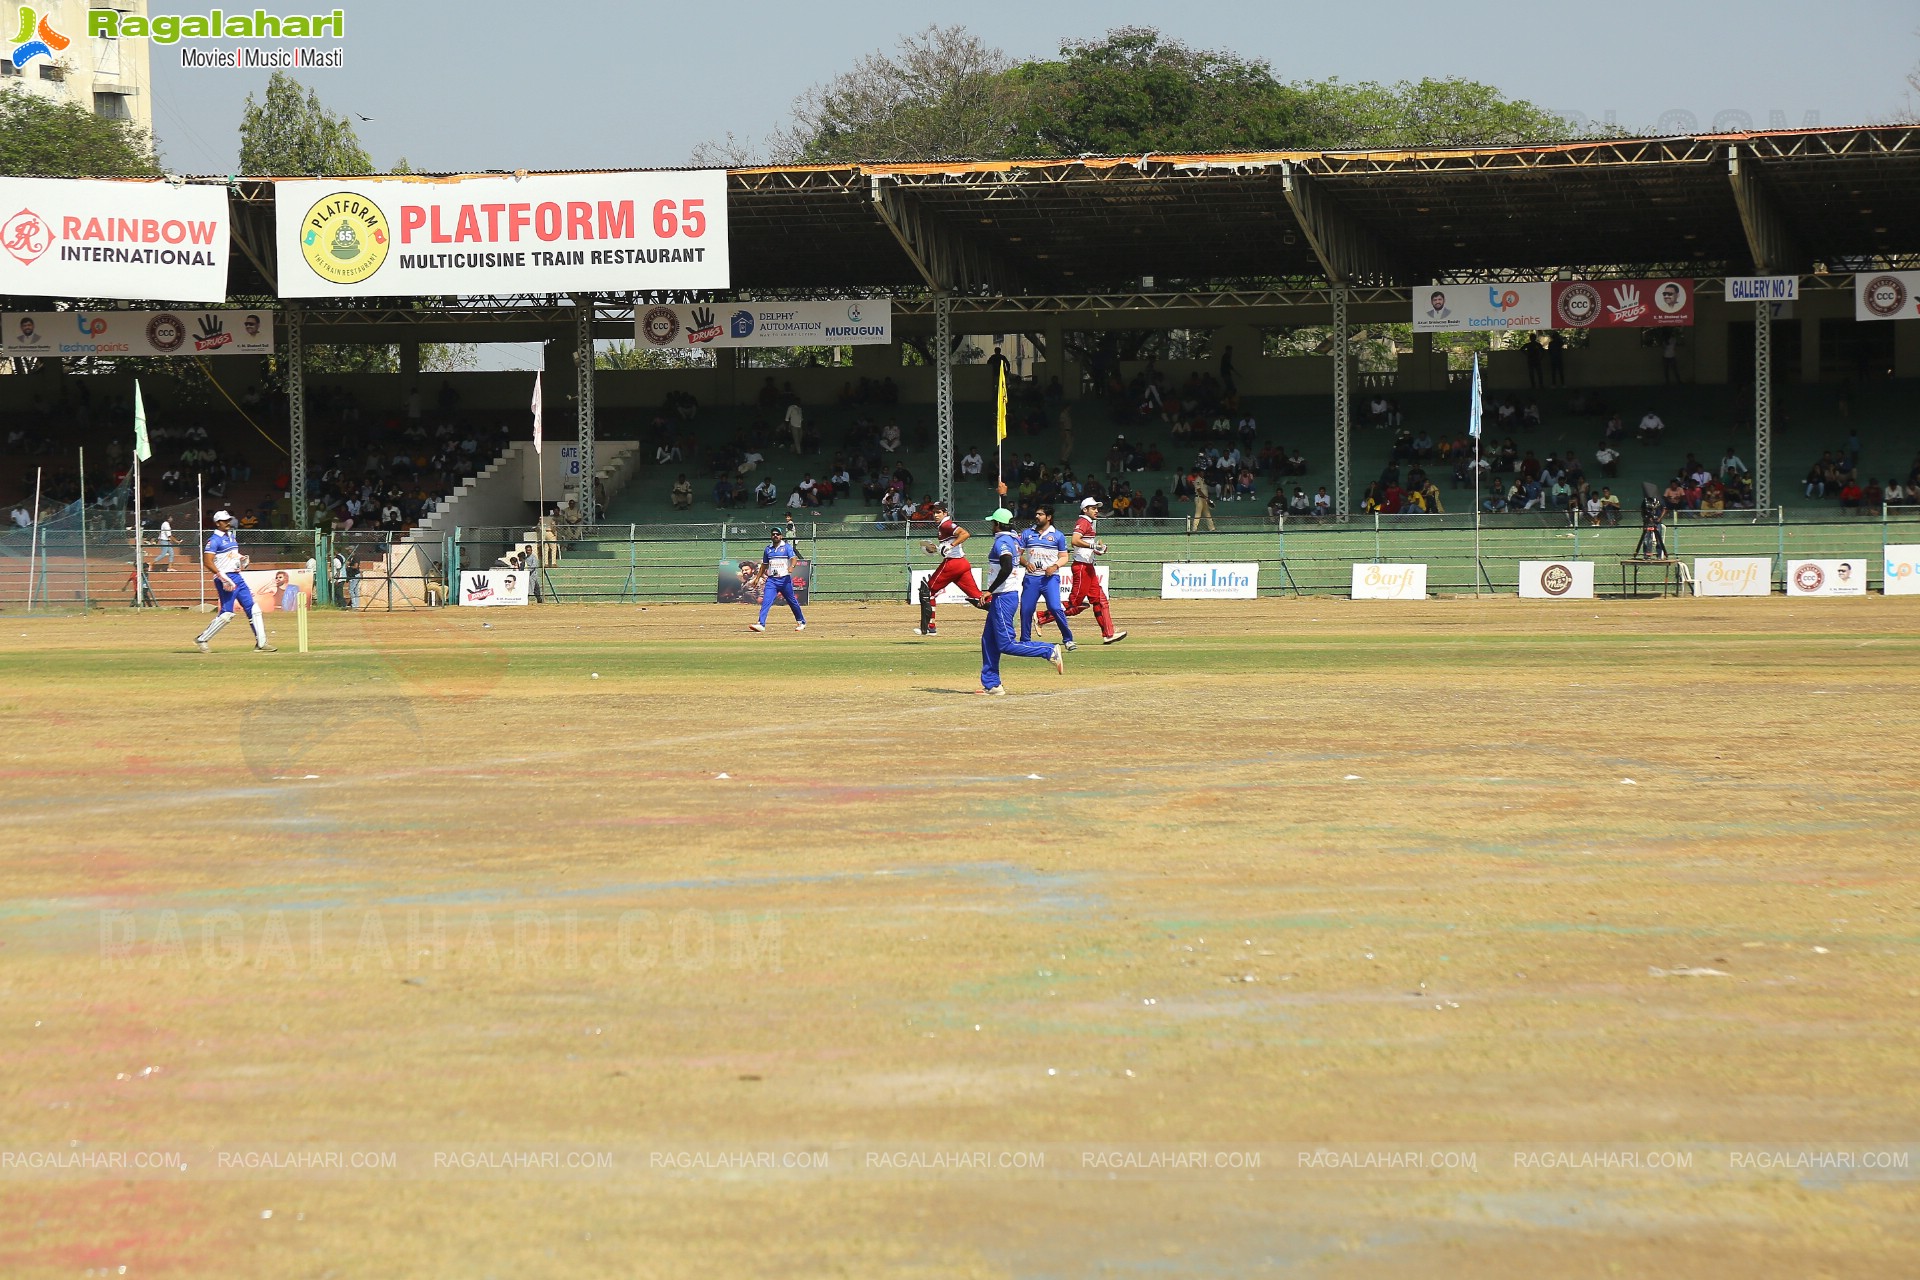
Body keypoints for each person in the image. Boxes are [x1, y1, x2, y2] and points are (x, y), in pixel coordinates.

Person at [972, 507, 1065, 696]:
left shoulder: (1003, 541)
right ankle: (992, 685)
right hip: (1004, 596)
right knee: (988, 640)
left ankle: (1048, 650)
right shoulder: (1013, 537)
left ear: (997, 525)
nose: (992, 525)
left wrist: (989, 591)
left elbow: (1006, 565)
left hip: (1003, 597)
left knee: (1006, 644)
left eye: (993, 522)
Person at [1039, 495, 1126, 646]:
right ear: (1085, 510)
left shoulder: (1089, 522)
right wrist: (1093, 546)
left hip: (1088, 567)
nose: (1096, 511)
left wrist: (1099, 549)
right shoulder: (1083, 521)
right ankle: (1041, 617)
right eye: (1093, 508)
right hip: (1081, 568)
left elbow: (1085, 545)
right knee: (1075, 605)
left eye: (1097, 508)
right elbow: (1074, 541)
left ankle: (1108, 634)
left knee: (1100, 600)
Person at [193, 510, 275, 653]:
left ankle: (261, 643)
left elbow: (231, 554)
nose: (228, 523)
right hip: (225, 578)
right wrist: (222, 577)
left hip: (237, 576)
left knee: (253, 609)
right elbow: (207, 561)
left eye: (228, 520)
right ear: (218, 523)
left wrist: (242, 558)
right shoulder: (214, 540)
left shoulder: (230, 536)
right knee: (226, 614)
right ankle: (202, 639)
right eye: (225, 521)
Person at [916, 498, 983, 636]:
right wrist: (939, 548)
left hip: (953, 564)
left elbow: (965, 534)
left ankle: (930, 627)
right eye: (934, 512)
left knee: (927, 592)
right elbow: (947, 545)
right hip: (962, 563)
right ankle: (1003, 613)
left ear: (945, 512)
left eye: (938, 512)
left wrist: (950, 546)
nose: (935, 515)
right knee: (978, 597)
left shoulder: (946, 524)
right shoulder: (942, 526)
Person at [1016, 505, 1075, 649]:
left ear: (1049, 517)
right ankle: (1025, 641)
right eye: (1036, 514)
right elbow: (1018, 554)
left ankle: (1068, 639)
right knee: (1026, 609)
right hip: (1031, 578)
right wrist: (1026, 563)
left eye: (1040, 514)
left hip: (1050, 579)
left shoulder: (1058, 535)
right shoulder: (1027, 534)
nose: (1037, 516)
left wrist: (1054, 567)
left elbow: (1064, 556)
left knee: (1055, 608)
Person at [748, 526, 806, 633]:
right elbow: (764, 565)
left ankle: (801, 622)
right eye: (773, 534)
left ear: (781, 536)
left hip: (784, 580)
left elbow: (794, 558)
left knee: (792, 601)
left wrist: (791, 567)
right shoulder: (768, 549)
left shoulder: (786, 547)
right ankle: (761, 624)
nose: (775, 536)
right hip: (772, 581)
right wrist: (757, 578)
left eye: (777, 534)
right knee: (766, 601)